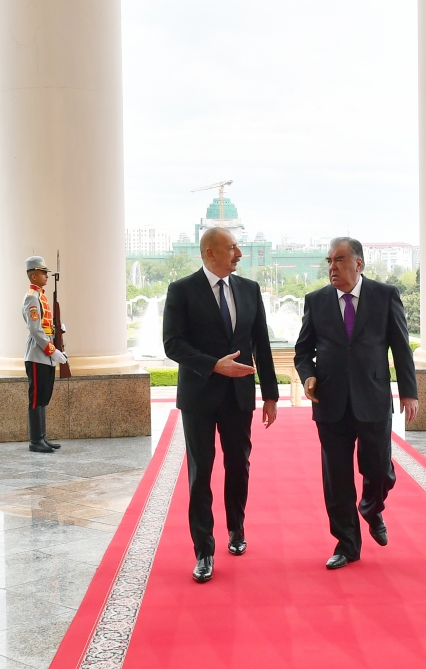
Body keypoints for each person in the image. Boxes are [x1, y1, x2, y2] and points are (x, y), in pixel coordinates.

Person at [162, 227, 279, 583]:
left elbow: (261, 342)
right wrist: (214, 364)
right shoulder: (181, 290)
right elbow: (172, 344)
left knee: (238, 465)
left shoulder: (249, 289)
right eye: (232, 248)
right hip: (199, 397)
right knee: (201, 472)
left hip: (238, 396)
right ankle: (204, 550)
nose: (239, 253)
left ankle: (236, 528)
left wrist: (270, 395)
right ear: (210, 253)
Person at [294, 237, 418, 570]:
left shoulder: (385, 295)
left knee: (378, 468)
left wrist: (409, 391)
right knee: (336, 477)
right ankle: (347, 544)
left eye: (339, 260)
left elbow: (400, 346)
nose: (332, 267)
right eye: (329, 261)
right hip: (330, 401)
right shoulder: (316, 301)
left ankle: (372, 506)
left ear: (358, 263)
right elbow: (303, 351)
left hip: (374, 396)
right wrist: (308, 375)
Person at [22, 256, 69, 453]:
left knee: (43, 396)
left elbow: (45, 326)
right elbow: (35, 329)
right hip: (37, 354)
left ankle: (41, 437)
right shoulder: (32, 298)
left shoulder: (41, 296)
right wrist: (52, 350)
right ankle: (35, 440)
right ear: (33, 276)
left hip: (45, 353)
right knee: (36, 397)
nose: (46, 275)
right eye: (43, 272)